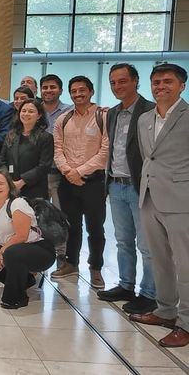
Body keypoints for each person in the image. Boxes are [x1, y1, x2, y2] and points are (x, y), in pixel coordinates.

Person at [130, 63, 189, 347]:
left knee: (186, 263)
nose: (160, 86)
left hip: (181, 200)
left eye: (167, 81)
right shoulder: (145, 119)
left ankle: (186, 323)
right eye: (156, 82)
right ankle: (166, 310)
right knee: (160, 259)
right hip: (150, 196)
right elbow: (147, 158)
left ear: (182, 86)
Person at [97, 64, 157, 314]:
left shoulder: (150, 111)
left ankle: (149, 293)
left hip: (140, 187)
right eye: (112, 82)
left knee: (147, 244)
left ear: (135, 81)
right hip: (116, 183)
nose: (117, 86)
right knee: (122, 240)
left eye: (122, 81)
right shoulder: (112, 114)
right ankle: (125, 284)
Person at [51, 76, 109, 289]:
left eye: (82, 90)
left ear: (91, 91)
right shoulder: (63, 120)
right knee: (71, 225)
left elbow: (105, 151)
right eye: (74, 91)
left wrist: (80, 172)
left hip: (93, 181)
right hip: (67, 180)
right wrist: (68, 171)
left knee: (96, 227)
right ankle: (71, 263)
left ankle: (95, 268)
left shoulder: (104, 116)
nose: (78, 94)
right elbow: (57, 149)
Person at [0, 170, 56, 309]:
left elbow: (22, 235)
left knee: (11, 253)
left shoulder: (17, 203)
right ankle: (25, 281)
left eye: (1, 184)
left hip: (39, 249)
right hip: (12, 249)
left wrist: (1, 252)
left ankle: (16, 298)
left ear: (9, 186)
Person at [0, 99, 53, 200]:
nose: (26, 114)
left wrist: (21, 182)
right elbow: (2, 160)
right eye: (23, 111)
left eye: (31, 111)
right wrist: (9, 181)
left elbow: (44, 166)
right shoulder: (11, 135)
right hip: (11, 187)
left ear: (39, 115)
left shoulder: (46, 137)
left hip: (34, 189)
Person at [40, 74, 71, 210]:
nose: (48, 90)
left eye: (52, 87)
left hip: (61, 172)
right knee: (38, 213)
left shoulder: (70, 111)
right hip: (39, 172)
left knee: (61, 213)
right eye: (45, 87)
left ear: (61, 90)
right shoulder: (35, 110)